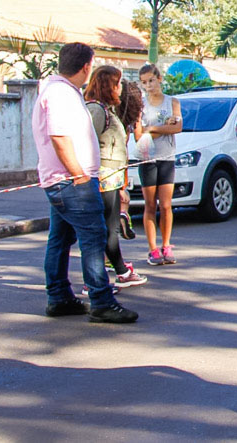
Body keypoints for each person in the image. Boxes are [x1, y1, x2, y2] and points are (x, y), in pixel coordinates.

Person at [33, 42, 137, 323]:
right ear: (86, 66)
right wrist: (78, 173)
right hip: (71, 181)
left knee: (60, 239)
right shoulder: (61, 94)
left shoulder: (59, 90)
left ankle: (59, 297)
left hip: (65, 180)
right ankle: (101, 300)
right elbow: (60, 137)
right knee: (93, 239)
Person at [84, 66, 146, 289]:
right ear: (108, 85)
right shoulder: (96, 110)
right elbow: (86, 145)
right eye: (118, 83)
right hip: (102, 178)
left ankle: (118, 271)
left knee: (109, 229)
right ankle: (98, 280)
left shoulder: (106, 109)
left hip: (111, 178)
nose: (121, 89)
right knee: (105, 230)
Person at [134, 64, 182, 266]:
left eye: (151, 81)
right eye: (144, 82)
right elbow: (138, 134)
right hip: (147, 158)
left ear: (159, 79)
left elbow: (178, 127)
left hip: (167, 157)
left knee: (166, 204)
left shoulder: (172, 102)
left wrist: (151, 128)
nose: (148, 86)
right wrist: (163, 128)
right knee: (150, 204)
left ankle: (167, 244)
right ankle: (152, 248)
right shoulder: (141, 105)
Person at [116, 79, 145, 234]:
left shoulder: (124, 122)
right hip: (113, 172)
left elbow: (138, 137)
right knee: (120, 202)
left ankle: (123, 216)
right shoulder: (118, 125)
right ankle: (122, 216)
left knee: (123, 201)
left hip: (120, 169)